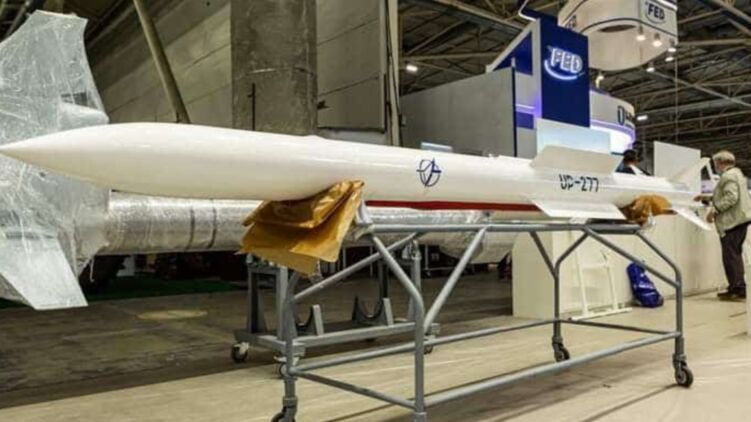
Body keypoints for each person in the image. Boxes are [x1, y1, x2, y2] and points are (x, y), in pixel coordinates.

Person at [699, 150, 751, 300]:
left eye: (715, 163)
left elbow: (731, 197)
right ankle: (738, 287)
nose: (715, 166)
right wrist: (708, 198)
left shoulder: (728, 176)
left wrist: (714, 210)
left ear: (720, 162)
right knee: (735, 256)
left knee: (730, 257)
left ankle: (737, 289)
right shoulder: (737, 174)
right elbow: (729, 195)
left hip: (732, 223)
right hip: (740, 220)